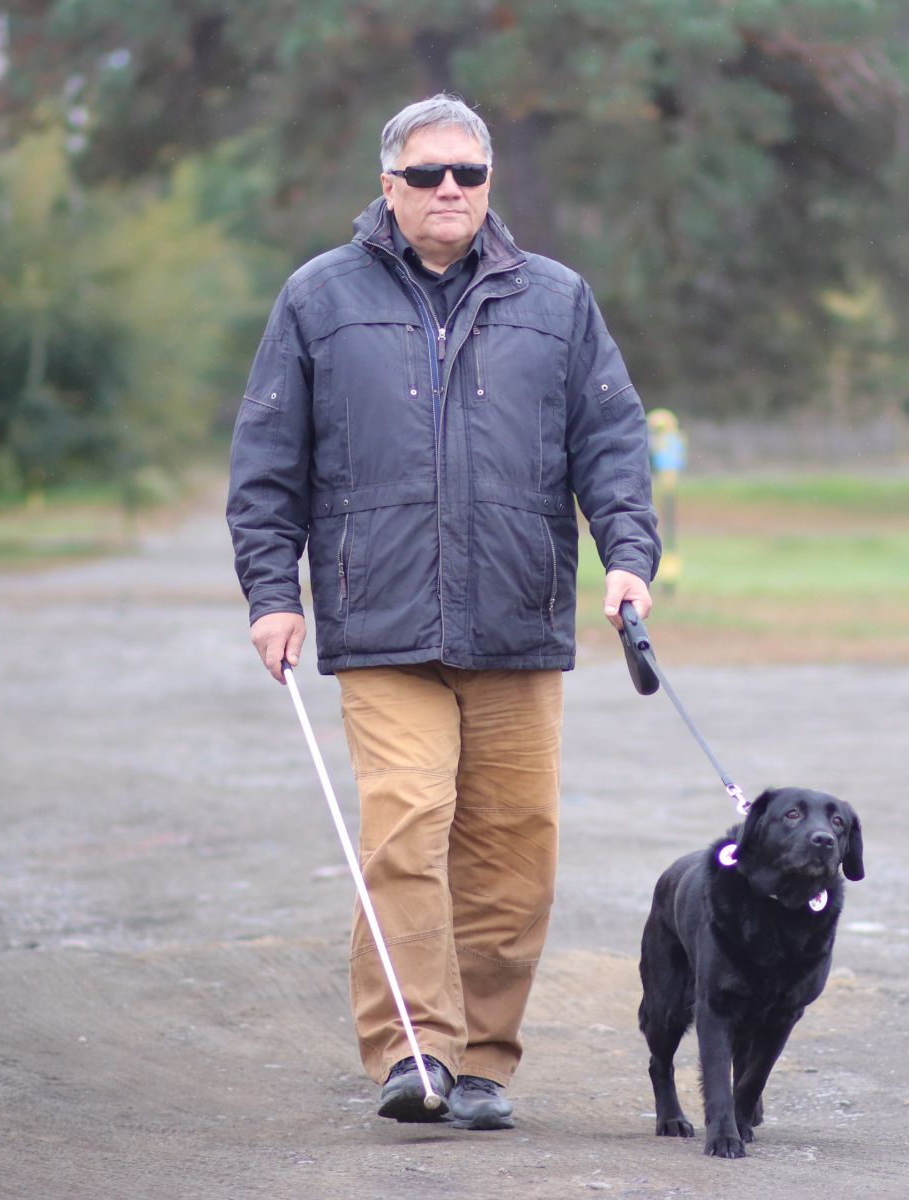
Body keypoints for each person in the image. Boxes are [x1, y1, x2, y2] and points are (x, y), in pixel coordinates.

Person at [226, 93, 658, 1131]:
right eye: (426, 176)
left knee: (515, 849)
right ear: (389, 187)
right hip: (384, 628)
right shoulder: (317, 300)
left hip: (519, 622)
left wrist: (629, 560)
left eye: (466, 173)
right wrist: (272, 595)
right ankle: (414, 1053)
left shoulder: (556, 302)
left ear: (489, 183)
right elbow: (267, 463)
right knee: (407, 831)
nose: (448, 191)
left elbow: (612, 444)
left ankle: (483, 1064)